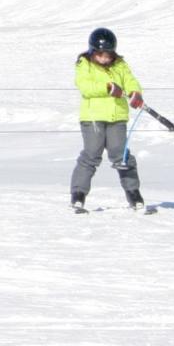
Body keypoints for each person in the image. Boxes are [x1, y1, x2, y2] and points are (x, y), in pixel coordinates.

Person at [70, 28, 145, 211]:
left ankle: (133, 193)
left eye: (108, 55)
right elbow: (85, 86)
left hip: (117, 117)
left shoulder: (120, 65)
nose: (104, 59)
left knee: (122, 155)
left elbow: (130, 81)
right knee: (92, 154)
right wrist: (107, 87)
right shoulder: (84, 64)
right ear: (92, 52)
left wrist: (135, 93)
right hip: (93, 118)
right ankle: (78, 193)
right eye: (100, 55)